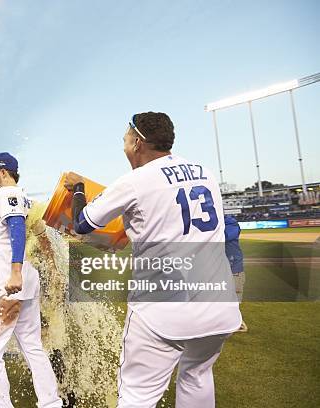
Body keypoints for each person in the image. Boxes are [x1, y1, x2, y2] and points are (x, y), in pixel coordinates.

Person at [64, 112, 242, 408]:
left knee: (136, 396)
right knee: (196, 377)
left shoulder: (135, 181)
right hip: (219, 307)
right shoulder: (205, 172)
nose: (123, 146)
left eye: (125, 139)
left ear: (137, 142)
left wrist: (79, 188)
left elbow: (83, 224)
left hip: (163, 311)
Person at [0, 152, 61, 408]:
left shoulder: (6, 194)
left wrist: (15, 271)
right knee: (32, 346)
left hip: (8, 281)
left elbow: (18, 228)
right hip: (22, 279)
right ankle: (51, 403)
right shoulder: (19, 195)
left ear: (3, 171)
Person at [225, 214, 247, 332]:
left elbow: (224, 236)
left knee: (233, 299)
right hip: (223, 268)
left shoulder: (231, 223)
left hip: (234, 268)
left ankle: (238, 323)